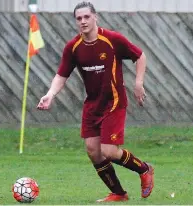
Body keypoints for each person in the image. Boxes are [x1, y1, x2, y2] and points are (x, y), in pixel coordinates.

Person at [37, 1, 154, 202]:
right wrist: (50, 94)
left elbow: (140, 56)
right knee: (93, 151)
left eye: (86, 17)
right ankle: (119, 193)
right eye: (79, 18)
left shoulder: (112, 39)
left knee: (108, 151)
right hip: (92, 104)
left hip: (114, 102)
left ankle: (144, 169)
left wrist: (138, 83)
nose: (83, 21)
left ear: (95, 17)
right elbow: (61, 75)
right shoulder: (73, 47)